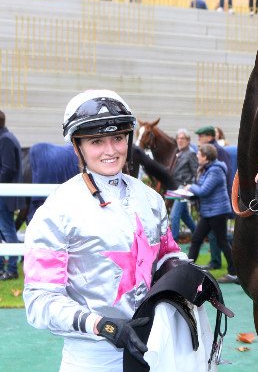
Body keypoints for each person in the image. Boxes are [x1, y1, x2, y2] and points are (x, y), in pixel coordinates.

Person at [23, 90, 187, 370]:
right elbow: (39, 300)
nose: (111, 151)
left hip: (156, 349)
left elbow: (166, 255)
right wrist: (101, 325)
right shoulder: (57, 210)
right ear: (78, 146)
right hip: (91, 356)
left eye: (118, 138)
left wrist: (185, 272)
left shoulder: (150, 199)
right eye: (97, 141)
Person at [185, 144, 237, 283]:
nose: (197, 156)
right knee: (196, 239)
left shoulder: (216, 170)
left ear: (206, 157)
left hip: (218, 212)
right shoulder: (206, 169)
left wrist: (190, 187)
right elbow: (201, 189)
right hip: (208, 212)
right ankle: (187, 269)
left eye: (199, 154)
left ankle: (235, 272)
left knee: (222, 241)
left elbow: (203, 191)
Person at [195, 125, 233, 269]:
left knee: (220, 238)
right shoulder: (206, 157)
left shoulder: (217, 153)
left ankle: (223, 264)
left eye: (201, 136)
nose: (199, 139)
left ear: (209, 137)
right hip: (210, 207)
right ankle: (216, 262)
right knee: (210, 237)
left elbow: (224, 175)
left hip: (217, 206)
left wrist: (192, 188)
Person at [0, 110, 24, 281]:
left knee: (8, 232)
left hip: (4, 196)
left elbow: (7, 169)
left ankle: (12, 269)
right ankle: (3, 267)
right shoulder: (5, 137)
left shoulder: (5, 140)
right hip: (4, 195)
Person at [170, 129, 198, 241]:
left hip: (184, 188)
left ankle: (173, 243)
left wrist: (189, 186)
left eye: (182, 138)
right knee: (184, 215)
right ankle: (199, 235)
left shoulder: (191, 153)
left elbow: (196, 173)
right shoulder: (179, 153)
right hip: (177, 188)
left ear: (188, 140)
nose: (179, 140)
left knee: (174, 215)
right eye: (178, 138)